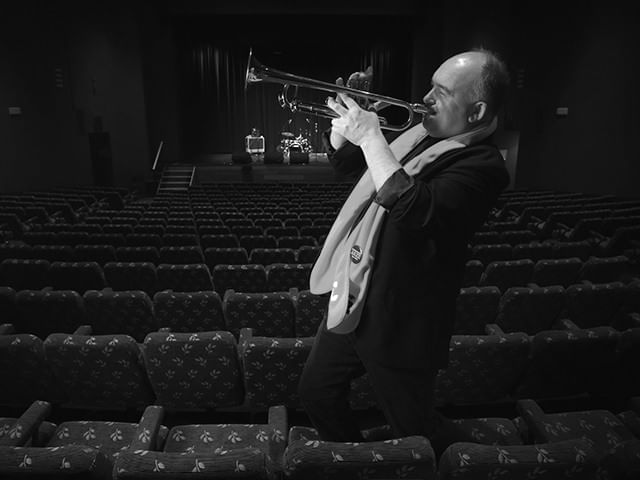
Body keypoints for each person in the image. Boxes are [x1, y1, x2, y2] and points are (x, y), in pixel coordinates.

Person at [297, 49, 511, 455]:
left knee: (415, 426)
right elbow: (356, 174)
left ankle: (478, 462)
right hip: (355, 297)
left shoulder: (483, 167)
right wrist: (345, 134)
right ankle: (363, 463)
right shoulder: (420, 135)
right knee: (316, 392)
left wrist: (373, 137)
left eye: (442, 92)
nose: (426, 97)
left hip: (402, 318)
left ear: (477, 110)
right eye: (430, 85)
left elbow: (415, 209)